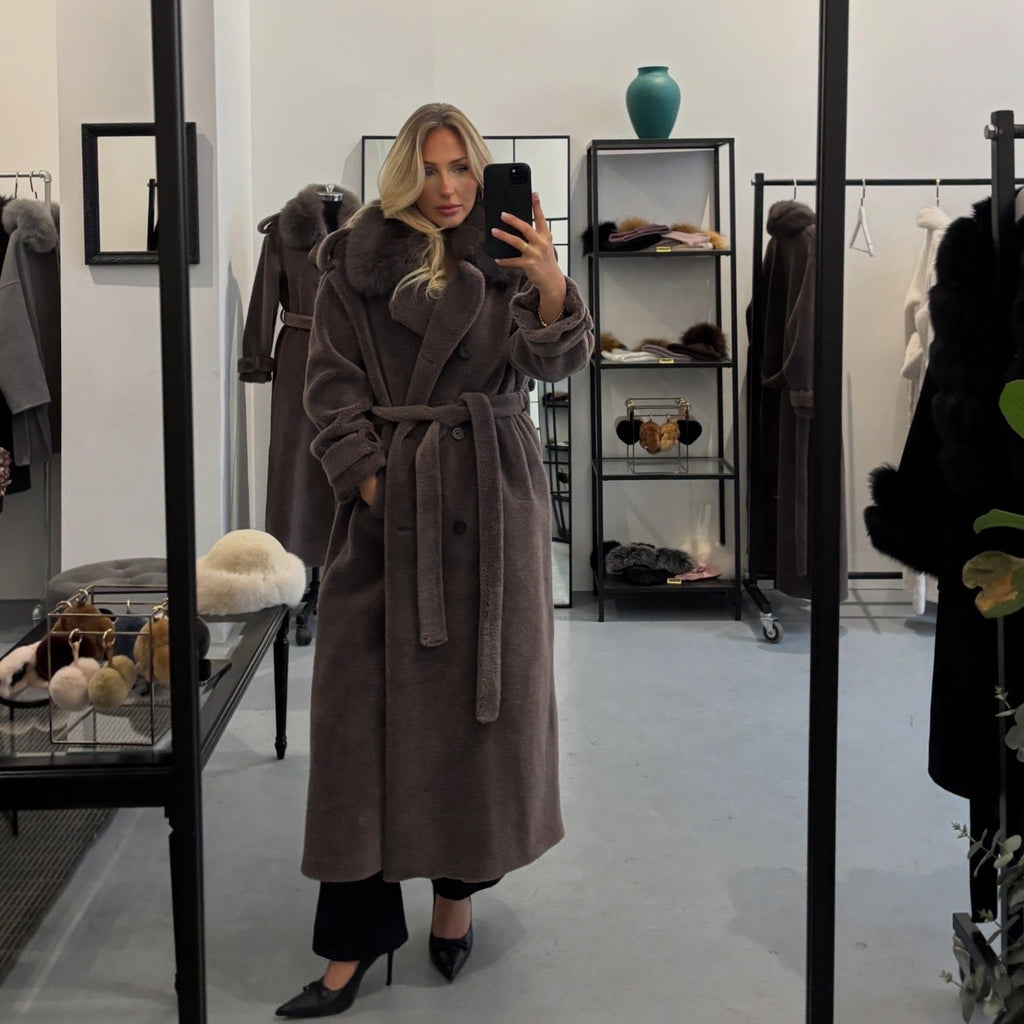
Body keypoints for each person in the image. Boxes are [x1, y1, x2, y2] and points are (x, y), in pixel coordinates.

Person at [275, 102, 594, 1019]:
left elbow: (555, 365)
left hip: (491, 513)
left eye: (463, 168)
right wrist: (377, 487)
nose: (449, 188)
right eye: (430, 168)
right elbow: (328, 390)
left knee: (477, 722)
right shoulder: (351, 263)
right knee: (357, 728)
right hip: (391, 520)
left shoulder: (508, 254)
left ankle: (457, 896)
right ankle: (352, 942)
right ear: (402, 174)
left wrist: (550, 284)